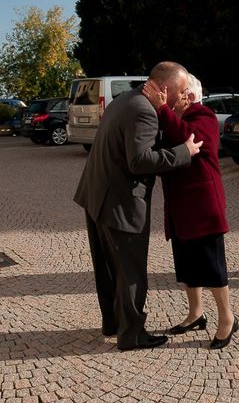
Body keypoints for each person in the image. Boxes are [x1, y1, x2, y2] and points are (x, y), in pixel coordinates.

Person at [74, 61, 203, 351]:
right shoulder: (144, 110)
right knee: (130, 272)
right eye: (182, 91)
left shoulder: (125, 99)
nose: (185, 96)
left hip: (96, 195)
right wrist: (184, 152)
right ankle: (132, 334)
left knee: (109, 269)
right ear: (166, 88)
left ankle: (113, 322)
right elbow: (139, 161)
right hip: (119, 202)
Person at [142, 73, 237, 350]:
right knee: (186, 265)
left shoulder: (203, 115)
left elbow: (189, 140)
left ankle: (227, 318)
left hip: (203, 206)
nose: (174, 99)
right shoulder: (173, 118)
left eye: (180, 94)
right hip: (180, 206)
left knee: (213, 267)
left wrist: (161, 109)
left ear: (190, 96)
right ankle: (196, 314)